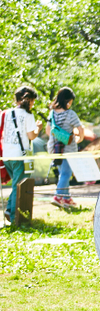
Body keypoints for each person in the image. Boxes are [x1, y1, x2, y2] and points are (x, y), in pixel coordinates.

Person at [1, 87, 42, 223]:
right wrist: (38, 128)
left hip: (6, 155)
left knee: (16, 184)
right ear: (28, 100)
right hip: (19, 156)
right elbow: (31, 136)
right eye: (33, 102)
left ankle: (10, 211)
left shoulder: (6, 113)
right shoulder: (27, 115)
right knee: (18, 186)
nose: (33, 105)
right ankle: (13, 216)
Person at [46, 88, 84, 208]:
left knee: (63, 173)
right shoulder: (70, 114)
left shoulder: (52, 113)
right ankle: (58, 196)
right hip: (68, 149)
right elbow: (81, 130)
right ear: (68, 100)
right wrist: (78, 139)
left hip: (55, 148)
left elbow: (48, 131)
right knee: (66, 174)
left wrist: (58, 136)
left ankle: (67, 199)